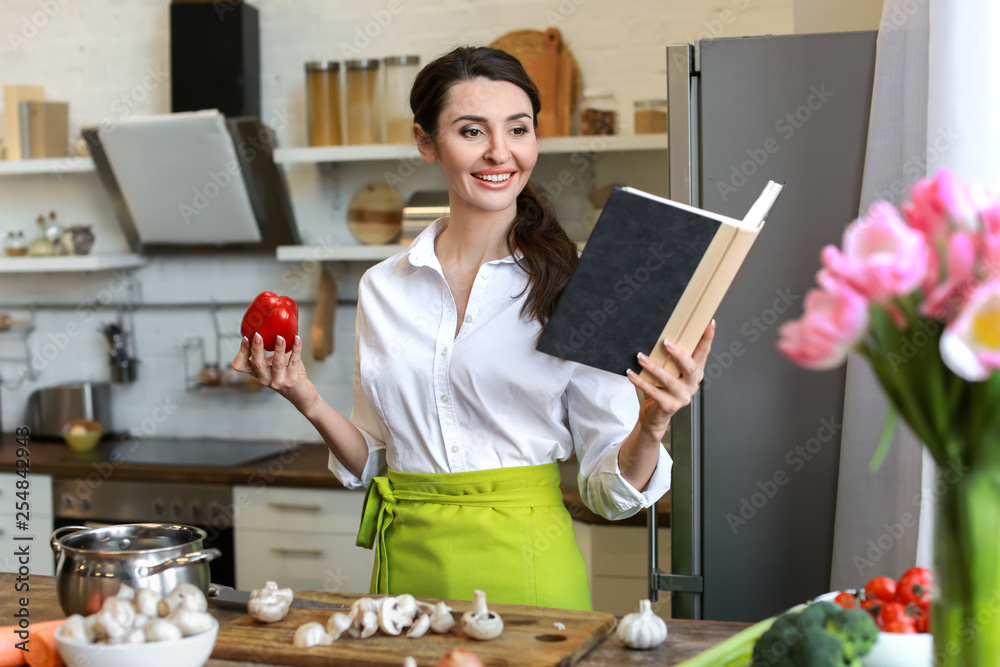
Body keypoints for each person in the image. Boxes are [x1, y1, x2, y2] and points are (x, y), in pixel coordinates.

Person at [232, 45, 714, 611]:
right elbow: (374, 460)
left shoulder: (580, 286)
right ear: (425, 142)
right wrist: (304, 396)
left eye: (518, 129)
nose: (499, 152)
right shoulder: (382, 287)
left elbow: (610, 493)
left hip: (528, 574)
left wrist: (653, 422)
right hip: (405, 574)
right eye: (471, 131)